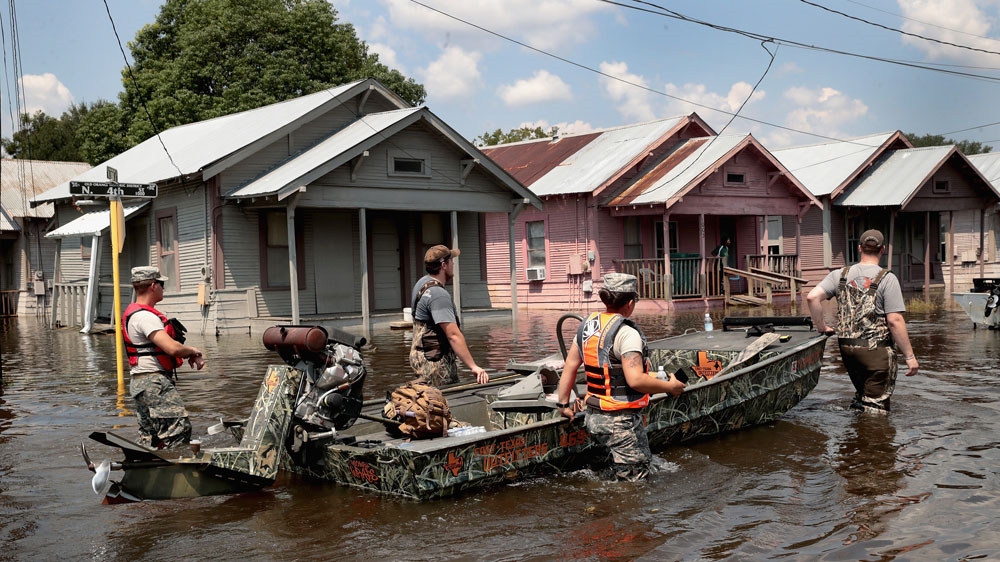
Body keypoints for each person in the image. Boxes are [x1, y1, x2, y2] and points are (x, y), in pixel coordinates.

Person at [555, 273, 686, 480]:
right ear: (630, 303)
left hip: (594, 418)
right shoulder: (627, 333)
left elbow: (570, 366)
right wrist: (671, 387)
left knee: (606, 475)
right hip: (620, 422)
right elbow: (635, 380)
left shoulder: (588, 326)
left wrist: (563, 405)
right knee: (634, 482)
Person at [806, 229, 919, 414]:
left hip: (848, 349)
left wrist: (822, 326)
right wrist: (910, 357)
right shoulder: (888, 278)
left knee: (862, 397)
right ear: (882, 250)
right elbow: (895, 320)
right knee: (876, 408)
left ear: (859, 248)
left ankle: (857, 429)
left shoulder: (839, 275)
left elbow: (812, 297)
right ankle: (872, 431)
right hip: (876, 352)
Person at [123, 266, 206, 448]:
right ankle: (178, 463)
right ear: (153, 286)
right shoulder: (145, 317)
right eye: (162, 284)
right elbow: (172, 348)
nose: (163, 288)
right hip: (154, 382)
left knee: (152, 436)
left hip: (140, 383)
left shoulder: (135, 314)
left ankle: (149, 462)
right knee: (179, 430)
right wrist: (193, 351)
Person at [409, 245, 489, 387]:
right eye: (451, 260)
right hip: (436, 364)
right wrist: (473, 366)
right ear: (444, 265)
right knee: (445, 397)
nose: (453, 264)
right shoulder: (438, 295)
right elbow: (453, 335)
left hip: (420, 358)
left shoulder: (421, 283)